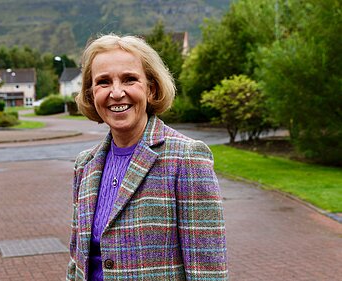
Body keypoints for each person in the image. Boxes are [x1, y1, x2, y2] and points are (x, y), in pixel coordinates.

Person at [66, 34, 228, 281]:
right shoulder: (85, 165)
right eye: (103, 82)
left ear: (151, 89)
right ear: (91, 93)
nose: (116, 92)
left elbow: (208, 270)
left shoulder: (186, 158)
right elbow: (77, 261)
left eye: (129, 79)